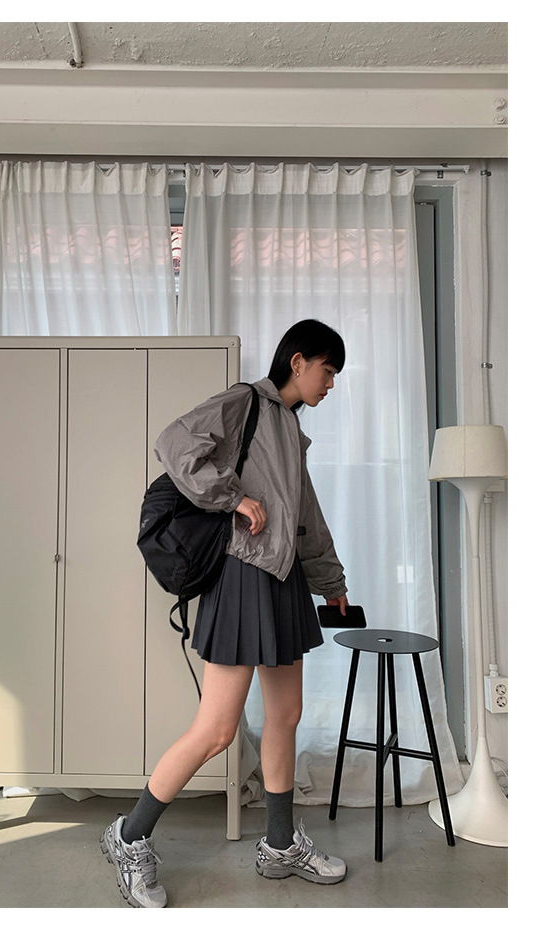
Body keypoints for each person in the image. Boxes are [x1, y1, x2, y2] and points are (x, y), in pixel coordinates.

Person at [100, 319, 351, 908]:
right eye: (327, 370)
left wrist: (331, 583)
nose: (330, 384)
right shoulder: (246, 402)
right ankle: (129, 836)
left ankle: (281, 845)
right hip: (243, 578)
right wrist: (234, 497)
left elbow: (305, 516)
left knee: (286, 715)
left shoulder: (290, 429)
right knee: (215, 731)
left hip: (283, 580)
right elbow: (175, 442)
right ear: (297, 361)